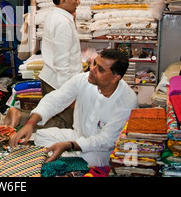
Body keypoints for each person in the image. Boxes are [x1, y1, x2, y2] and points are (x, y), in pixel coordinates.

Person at [9, 49, 138, 167]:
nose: (92, 70)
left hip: (103, 150)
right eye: (94, 64)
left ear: (115, 78)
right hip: (78, 136)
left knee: (87, 158)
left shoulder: (126, 100)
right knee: (41, 135)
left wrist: (70, 145)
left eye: (100, 69)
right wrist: (31, 122)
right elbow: (56, 99)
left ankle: (66, 156)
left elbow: (106, 140)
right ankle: (65, 155)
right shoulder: (83, 80)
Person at [5, 0, 82, 128]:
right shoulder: (63, 23)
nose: (78, 2)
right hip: (59, 81)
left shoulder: (54, 16)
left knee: (54, 116)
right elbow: (62, 60)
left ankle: (21, 116)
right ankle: (21, 116)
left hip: (51, 77)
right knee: (64, 123)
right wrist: (68, 91)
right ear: (63, 1)